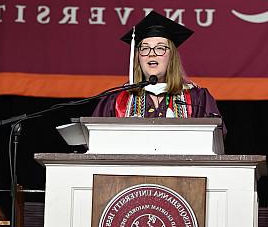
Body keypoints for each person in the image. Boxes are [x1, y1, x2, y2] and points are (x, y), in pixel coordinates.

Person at [93, 11, 226, 135]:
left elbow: (215, 138)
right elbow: (93, 139)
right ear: (138, 57)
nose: (152, 54)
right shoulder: (116, 100)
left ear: (171, 56)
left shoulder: (197, 98)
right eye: (144, 49)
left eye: (160, 48)